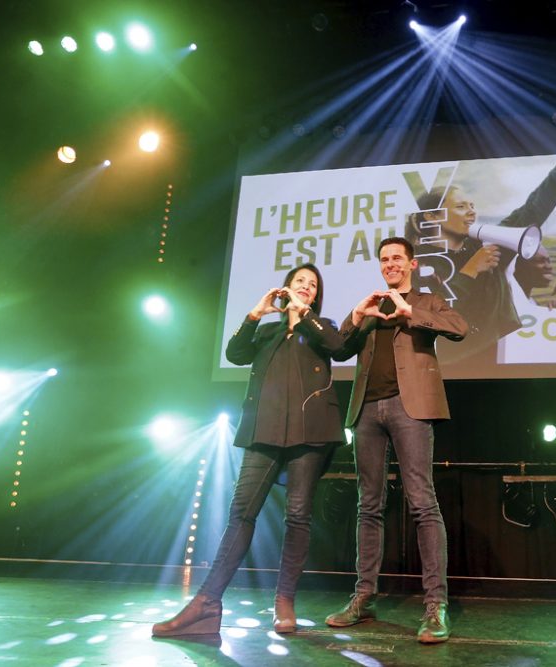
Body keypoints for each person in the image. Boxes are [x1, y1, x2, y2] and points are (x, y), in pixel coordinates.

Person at [152, 263, 345, 638]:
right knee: (241, 512)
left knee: (298, 516)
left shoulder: (324, 329)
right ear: (284, 289)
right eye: (299, 282)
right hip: (264, 432)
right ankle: (207, 603)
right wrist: (256, 313)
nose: (306, 287)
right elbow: (236, 353)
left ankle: (285, 601)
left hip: (311, 434)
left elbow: (339, 347)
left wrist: (306, 316)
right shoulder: (267, 332)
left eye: (312, 286)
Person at [324, 237, 467, 644]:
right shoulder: (369, 306)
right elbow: (340, 349)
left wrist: (410, 313)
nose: (390, 265)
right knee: (368, 505)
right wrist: (355, 314)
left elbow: (458, 327)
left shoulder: (427, 300)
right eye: (384, 260)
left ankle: (434, 606)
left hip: (411, 407)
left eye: (397, 259)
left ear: (412, 263)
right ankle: (364, 597)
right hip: (367, 409)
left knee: (422, 502)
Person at [405, 154, 556, 366]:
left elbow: (532, 209)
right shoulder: (418, 261)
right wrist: (470, 270)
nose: (472, 212)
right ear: (432, 217)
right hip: (455, 362)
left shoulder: (486, 246)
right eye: (461, 207)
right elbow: (433, 315)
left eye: (472, 205)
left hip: (502, 351)